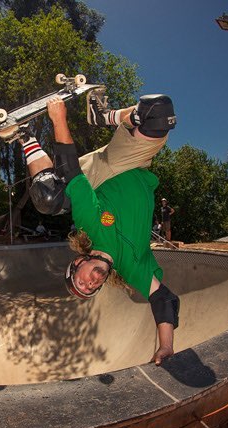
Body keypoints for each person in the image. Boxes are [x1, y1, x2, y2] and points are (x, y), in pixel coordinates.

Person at [17, 90, 179, 365]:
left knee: (48, 197)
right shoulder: (131, 269)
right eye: (92, 288)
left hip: (98, 175)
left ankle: (25, 136)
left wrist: (59, 119)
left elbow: (72, 174)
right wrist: (166, 346)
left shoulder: (89, 229)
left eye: (82, 281)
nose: (91, 282)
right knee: (158, 113)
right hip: (131, 163)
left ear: (79, 262)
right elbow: (164, 299)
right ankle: (105, 116)